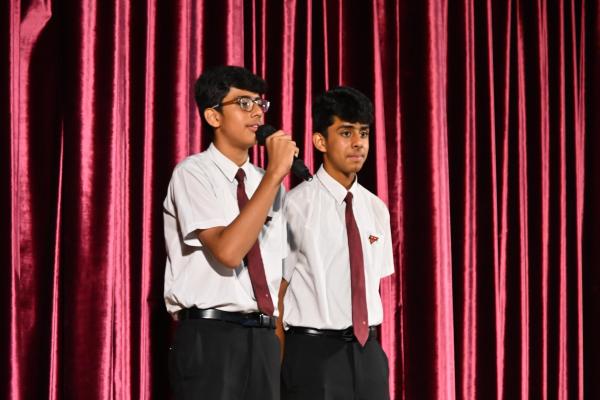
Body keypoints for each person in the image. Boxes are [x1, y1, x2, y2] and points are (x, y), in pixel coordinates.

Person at [163, 65, 297, 400]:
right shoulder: (193, 173)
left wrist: (273, 349)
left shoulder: (267, 181)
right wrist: (275, 175)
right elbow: (228, 252)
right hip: (211, 338)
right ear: (213, 116)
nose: (257, 113)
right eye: (243, 103)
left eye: (260, 104)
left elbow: (277, 281)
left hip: (263, 340)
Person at [279, 86, 394, 400]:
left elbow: (371, 284)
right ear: (320, 141)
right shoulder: (295, 205)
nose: (358, 143)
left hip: (368, 352)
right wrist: (278, 364)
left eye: (364, 133)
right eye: (346, 132)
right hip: (314, 354)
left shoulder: (376, 208)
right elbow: (278, 293)